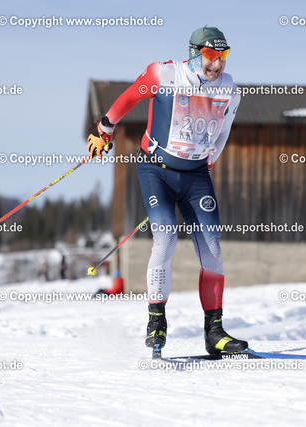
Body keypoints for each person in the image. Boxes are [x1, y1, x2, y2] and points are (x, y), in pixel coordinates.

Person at [87, 26, 247, 355]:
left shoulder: (230, 89)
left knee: (213, 250)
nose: (217, 64)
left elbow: (223, 132)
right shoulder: (164, 74)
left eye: (223, 56)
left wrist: (207, 162)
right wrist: (105, 128)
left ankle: (214, 332)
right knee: (166, 238)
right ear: (194, 53)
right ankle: (156, 321)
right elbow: (130, 96)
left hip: (196, 176)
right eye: (210, 56)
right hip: (156, 171)